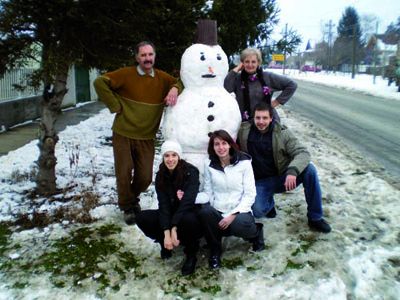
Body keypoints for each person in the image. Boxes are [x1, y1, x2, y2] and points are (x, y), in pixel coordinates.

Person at [94, 41, 180, 225]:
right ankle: (128, 207)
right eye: (143, 55)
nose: (147, 59)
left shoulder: (163, 79)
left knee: (145, 177)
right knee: (124, 172)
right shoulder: (126, 74)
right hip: (123, 133)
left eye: (150, 55)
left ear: (154, 56)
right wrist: (114, 105)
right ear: (137, 57)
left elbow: (181, 82)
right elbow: (100, 82)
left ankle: (130, 198)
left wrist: (174, 88)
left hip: (147, 136)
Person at [238, 103, 332, 233]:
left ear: (271, 118)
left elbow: (303, 153)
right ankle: (269, 204)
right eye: (258, 118)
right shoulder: (243, 131)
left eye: (265, 118)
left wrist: (292, 171)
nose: (261, 122)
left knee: (310, 170)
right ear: (253, 118)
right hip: (258, 182)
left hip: (282, 178)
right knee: (258, 211)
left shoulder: (282, 133)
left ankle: (315, 217)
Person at [198, 130, 265, 270]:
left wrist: (233, 214)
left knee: (239, 224)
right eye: (217, 144)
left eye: (224, 143)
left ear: (230, 145)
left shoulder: (244, 163)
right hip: (218, 209)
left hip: (239, 210)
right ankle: (215, 250)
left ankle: (256, 234)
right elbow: (208, 192)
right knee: (205, 212)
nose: (221, 147)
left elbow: (250, 194)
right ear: (213, 147)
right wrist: (188, 197)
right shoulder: (209, 164)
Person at [135, 140, 203, 276]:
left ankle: (191, 254)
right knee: (142, 217)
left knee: (188, 219)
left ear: (179, 156)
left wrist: (173, 227)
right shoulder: (161, 175)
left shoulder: (191, 172)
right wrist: (166, 233)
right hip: (171, 213)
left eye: (174, 155)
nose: (170, 159)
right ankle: (165, 243)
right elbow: (164, 205)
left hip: (187, 213)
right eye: (167, 155)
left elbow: (187, 203)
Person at [224, 47, 297, 122]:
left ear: (258, 62)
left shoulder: (268, 77)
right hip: (246, 123)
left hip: (267, 122)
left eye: (253, 62)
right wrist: (236, 69)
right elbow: (226, 88)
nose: (250, 64)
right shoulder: (237, 79)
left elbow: (292, 85)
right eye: (247, 61)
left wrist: (275, 102)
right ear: (242, 63)